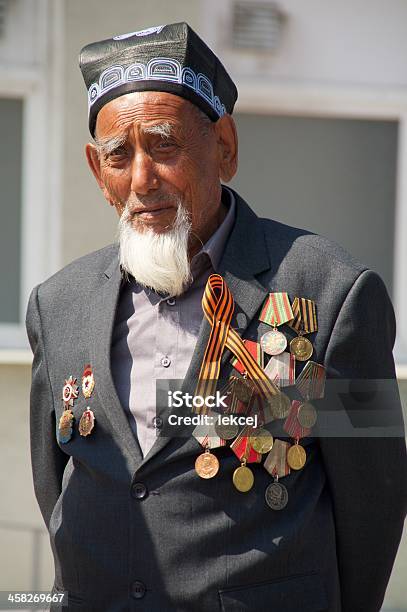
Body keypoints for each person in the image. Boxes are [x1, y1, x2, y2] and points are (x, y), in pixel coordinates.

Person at [26, 22, 406, 612]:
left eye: (165, 145)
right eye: (119, 156)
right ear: (97, 171)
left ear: (224, 146)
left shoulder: (331, 292)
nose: (143, 179)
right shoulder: (58, 304)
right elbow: (57, 489)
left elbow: (374, 509)